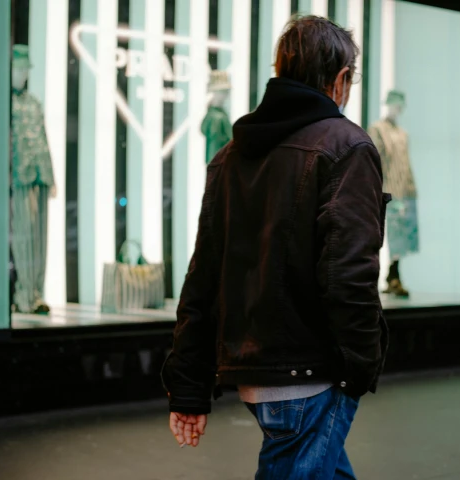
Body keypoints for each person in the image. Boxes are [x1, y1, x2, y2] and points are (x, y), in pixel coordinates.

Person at [162, 15, 389, 479]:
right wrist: (361, 368)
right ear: (341, 80)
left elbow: (203, 277)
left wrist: (189, 385)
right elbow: (348, 276)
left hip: (254, 374)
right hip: (312, 376)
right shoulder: (346, 147)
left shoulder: (230, 156)